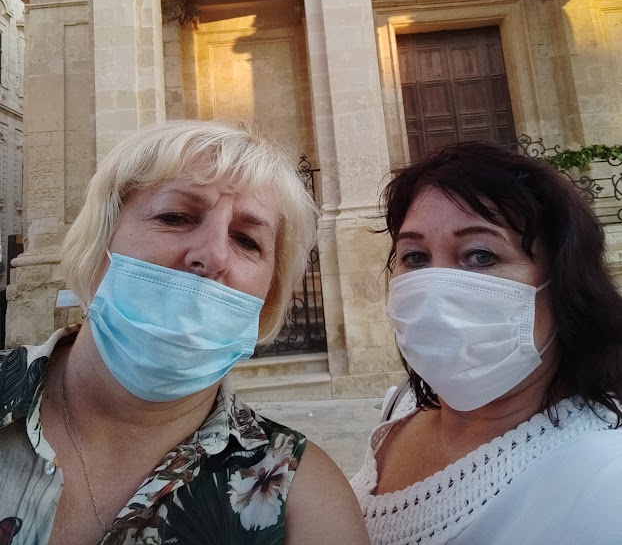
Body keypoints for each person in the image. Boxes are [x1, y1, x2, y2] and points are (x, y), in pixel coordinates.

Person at [0, 120, 370, 545]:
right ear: (100, 240)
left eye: (246, 240)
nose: (212, 255)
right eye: (175, 217)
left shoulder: (306, 502)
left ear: (269, 295)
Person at [351, 141, 622, 545]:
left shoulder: (605, 486)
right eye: (415, 257)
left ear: (562, 282)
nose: (436, 289)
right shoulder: (404, 405)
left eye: (480, 255)